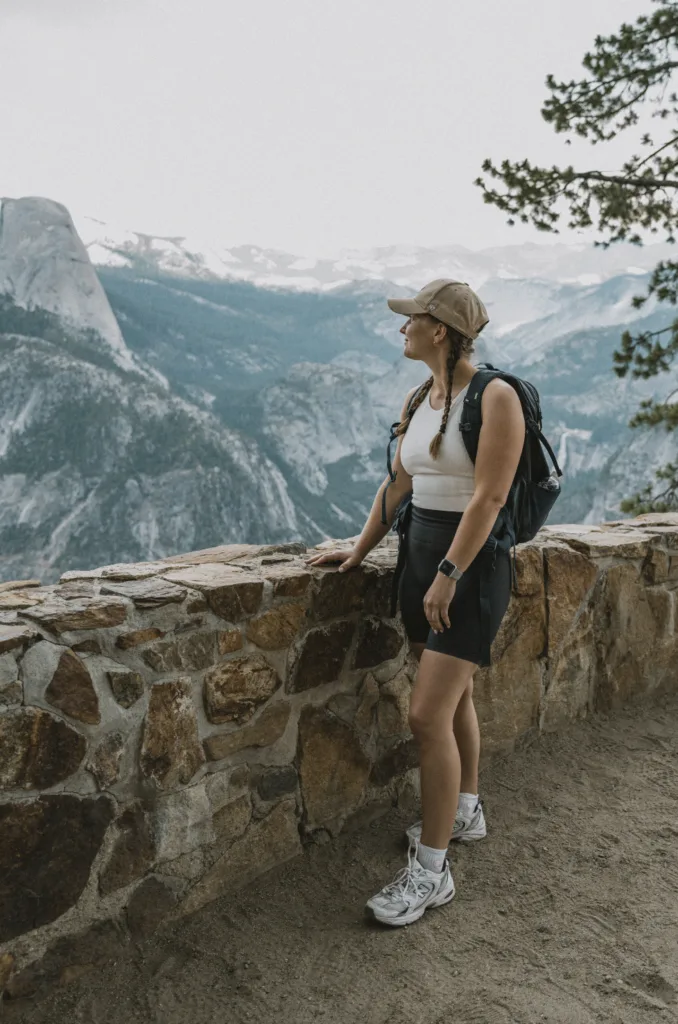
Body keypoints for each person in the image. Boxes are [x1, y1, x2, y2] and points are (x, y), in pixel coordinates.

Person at [305, 279, 525, 927]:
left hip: (471, 567)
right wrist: (356, 549)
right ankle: (465, 808)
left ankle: (431, 873)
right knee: (454, 699)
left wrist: (452, 573)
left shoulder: (498, 397)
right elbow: (398, 485)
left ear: (442, 330)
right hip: (420, 557)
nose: (401, 329)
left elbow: (488, 498)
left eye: (412, 320)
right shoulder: (419, 396)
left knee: (427, 715)